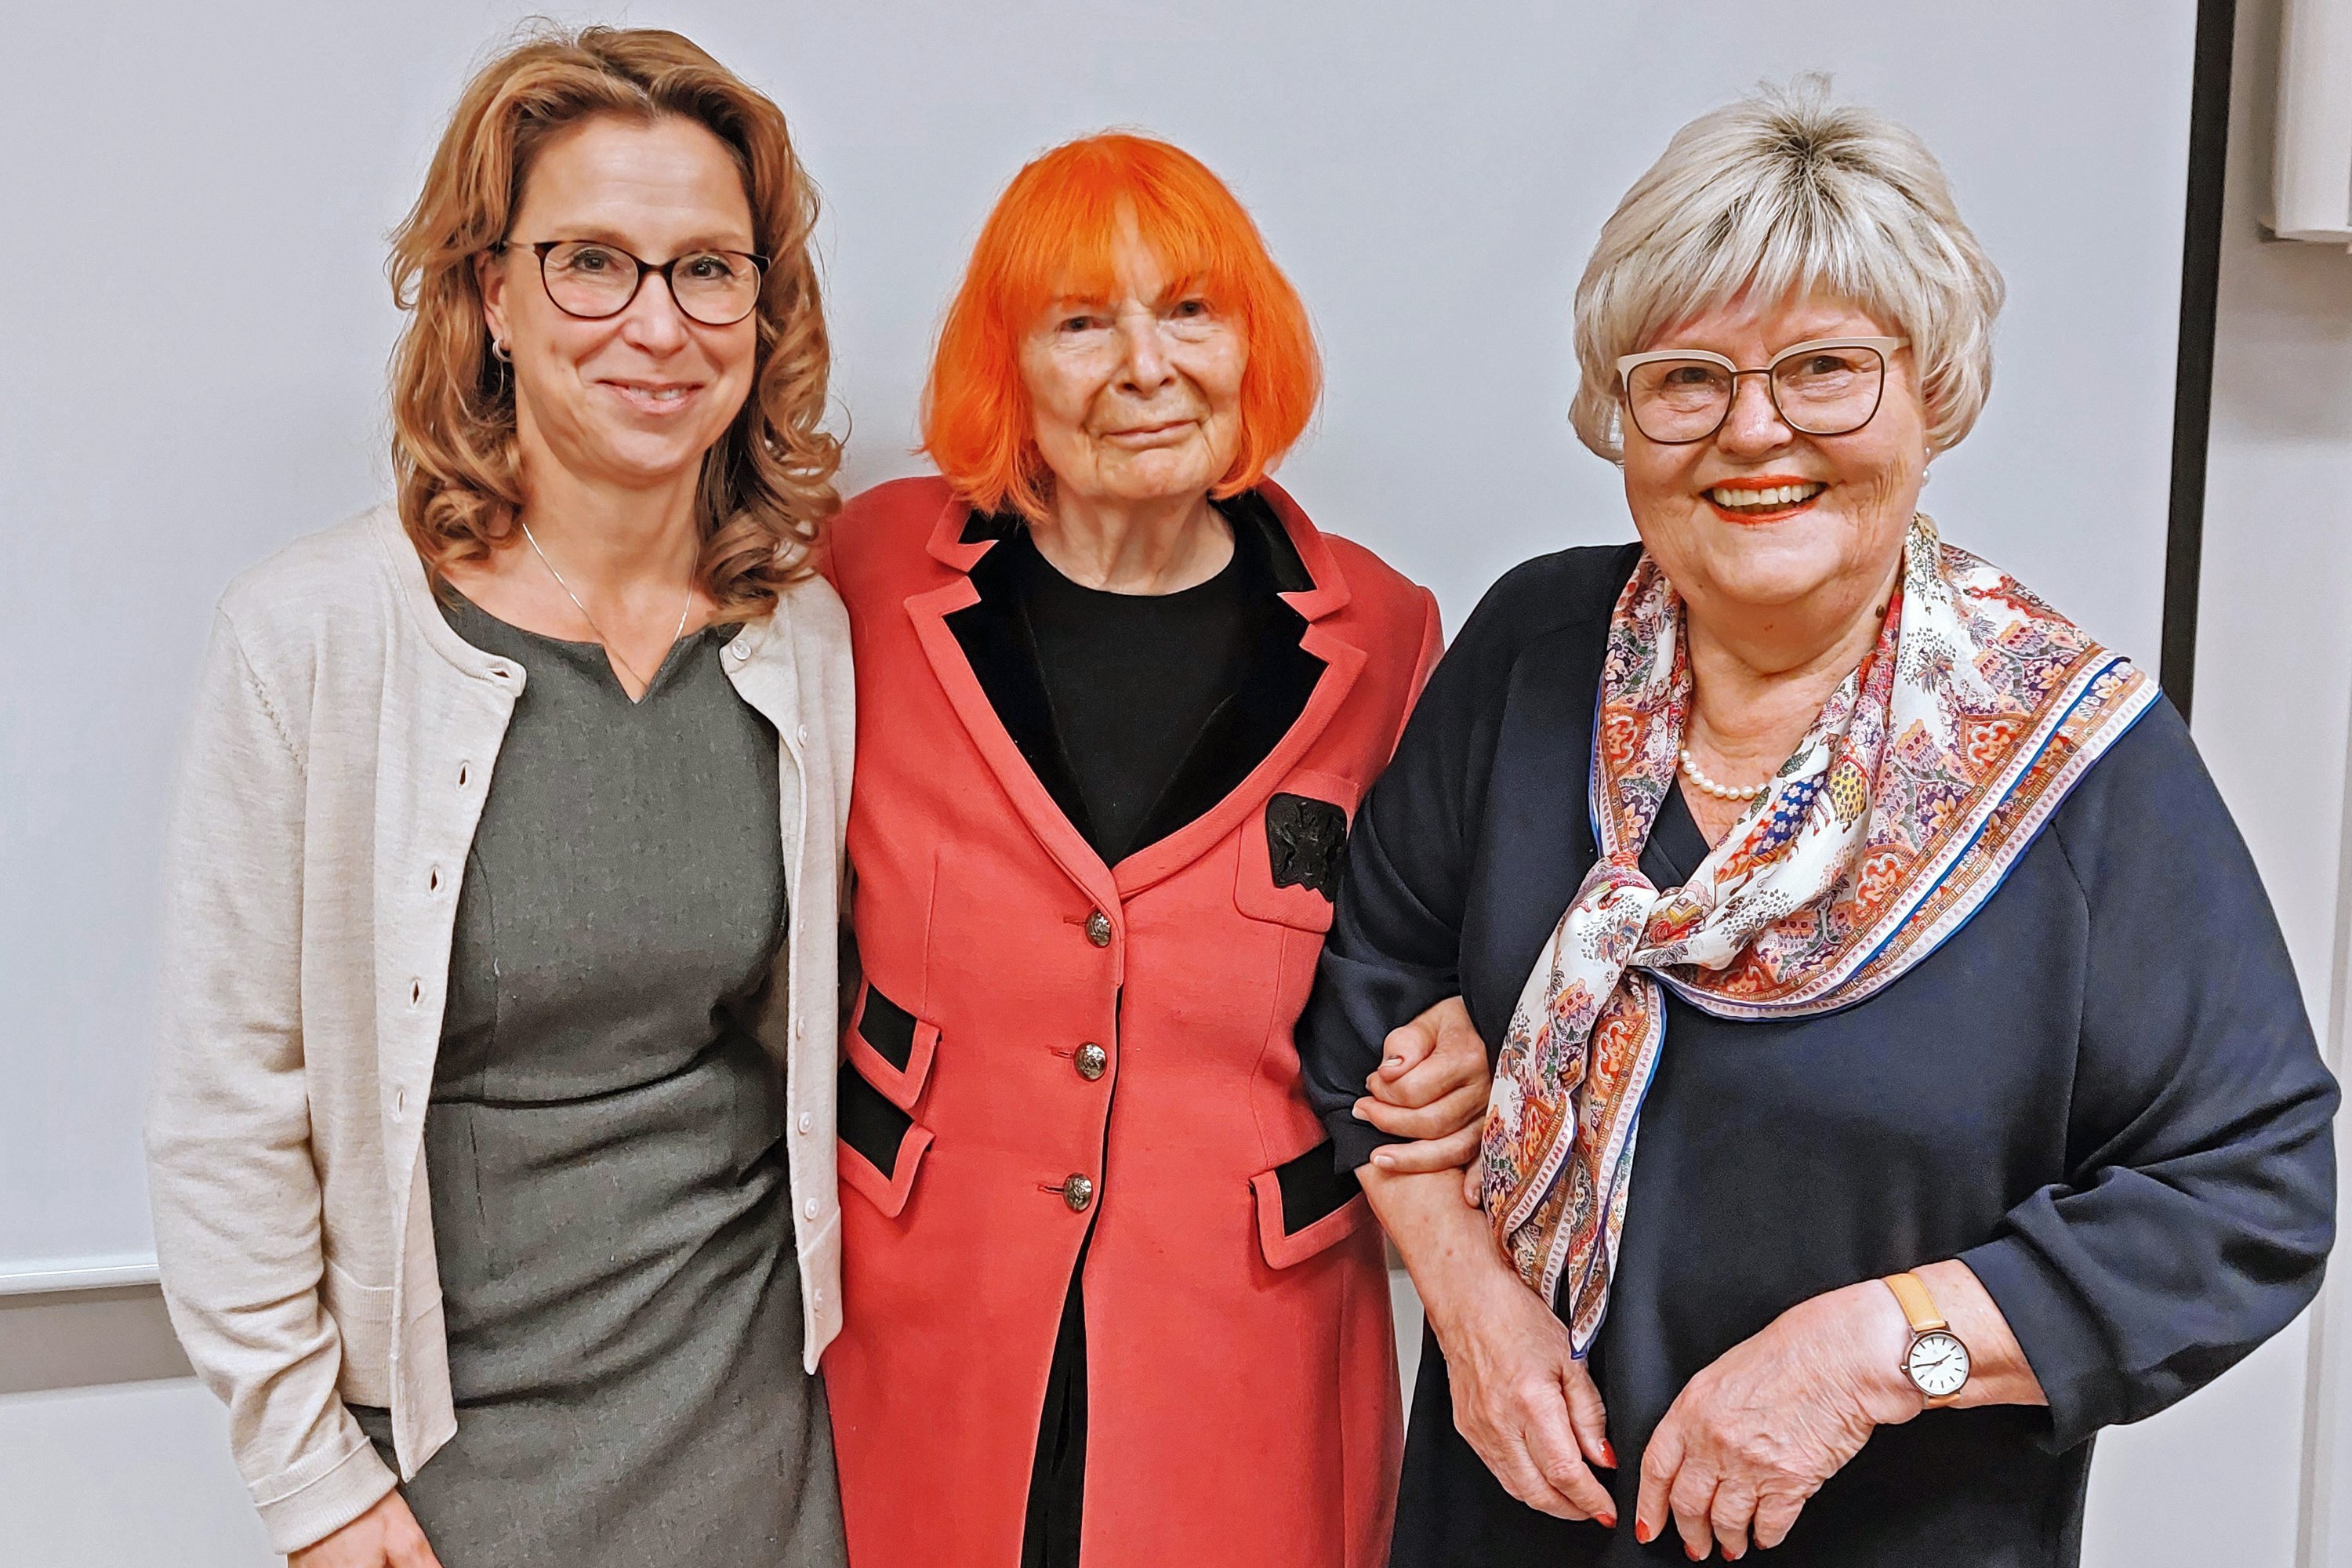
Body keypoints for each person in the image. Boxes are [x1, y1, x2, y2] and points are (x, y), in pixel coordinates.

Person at [1298, 80, 2339, 1566]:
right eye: (1686, 380)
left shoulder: (2077, 763)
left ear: (1934, 393)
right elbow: (1368, 998)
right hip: (1510, 1524)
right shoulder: (1538, 650)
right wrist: (1468, 1303)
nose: (1755, 430)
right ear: (1622, 416)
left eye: (1826, 369)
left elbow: (2250, 1190)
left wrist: (1870, 1357)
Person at [144, 27, 852, 1568]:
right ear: (493, 297)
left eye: (708, 269)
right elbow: (228, 1111)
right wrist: (309, 1484)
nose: (656, 325)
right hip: (446, 1484)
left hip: (766, 1462)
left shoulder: (802, 633)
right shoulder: (318, 633)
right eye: (591, 261)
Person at [819, 132, 1488, 1568]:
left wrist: (1462, 1043)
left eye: (1191, 310)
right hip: (923, 1322)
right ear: (1011, 369)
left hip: (1249, 1340)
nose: (1146, 364)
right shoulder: (862, 578)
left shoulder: (1381, 635)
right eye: (1081, 322)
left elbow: (1422, 967)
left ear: (1253, 343)